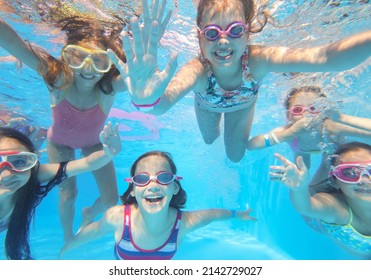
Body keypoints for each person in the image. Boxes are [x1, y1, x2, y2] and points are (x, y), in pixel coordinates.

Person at [111, 0, 371, 163]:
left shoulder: (259, 59)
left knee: (235, 156)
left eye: (234, 31)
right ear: (199, 37)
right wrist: (145, 99)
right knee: (210, 138)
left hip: (242, 107)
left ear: (247, 32)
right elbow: (163, 103)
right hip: (208, 107)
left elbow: (324, 57)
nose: (223, 41)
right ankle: (213, 134)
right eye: (212, 33)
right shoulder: (198, 70)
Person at [0, 0, 174, 242]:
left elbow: (133, 78)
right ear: (67, 56)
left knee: (111, 199)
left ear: (108, 64)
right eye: (77, 57)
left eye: (99, 61)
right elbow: (13, 43)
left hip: (95, 143)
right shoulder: (59, 79)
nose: (88, 68)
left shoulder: (107, 87)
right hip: (59, 143)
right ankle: (68, 236)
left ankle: (89, 213)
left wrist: (143, 69)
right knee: (67, 194)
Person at [60, 150, 256, 260]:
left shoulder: (183, 223)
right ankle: (87, 217)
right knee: (89, 227)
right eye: (142, 179)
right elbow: (93, 234)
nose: (153, 185)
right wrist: (66, 248)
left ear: (175, 188)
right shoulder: (118, 217)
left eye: (163, 177)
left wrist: (238, 214)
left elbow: (213, 214)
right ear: (134, 190)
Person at [0, 122, 121, 259]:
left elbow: (86, 163)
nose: (7, 175)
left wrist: (109, 153)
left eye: (20, 162)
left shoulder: (32, 175)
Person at [247, 85, 371, 191]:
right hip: (301, 152)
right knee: (301, 175)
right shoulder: (288, 131)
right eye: (298, 110)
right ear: (289, 115)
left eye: (314, 109)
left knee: (315, 183)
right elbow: (251, 145)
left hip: (330, 152)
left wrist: (341, 118)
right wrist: (289, 133)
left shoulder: (331, 127)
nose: (306, 114)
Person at [269, 141, 371, 259]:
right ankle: (300, 148)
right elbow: (307, 207)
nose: (364, 180)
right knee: (311, 188)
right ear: (335, 181)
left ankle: (325, 146)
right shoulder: (337, 209)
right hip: (315, 220)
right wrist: (299, 188)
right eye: (350, 173)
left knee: (328, 158)